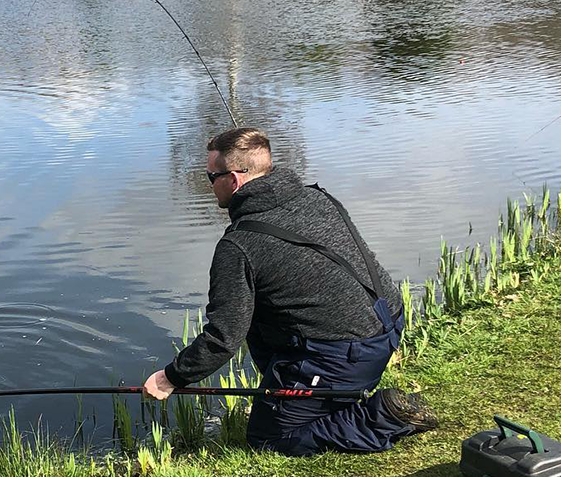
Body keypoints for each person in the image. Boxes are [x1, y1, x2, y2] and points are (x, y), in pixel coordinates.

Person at [142, 128, 437, 457]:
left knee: (270, 439)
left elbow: (223, 336)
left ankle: (382, 415)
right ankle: (311, 392)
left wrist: (171, 377)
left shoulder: (239, 246)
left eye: (211, 176)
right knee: (259, 306)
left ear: (235, 180)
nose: (208, 183)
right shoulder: (318, 197)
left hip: (344, 354)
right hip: (388, 324)